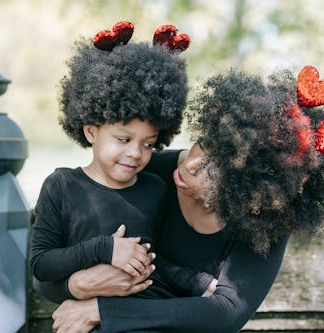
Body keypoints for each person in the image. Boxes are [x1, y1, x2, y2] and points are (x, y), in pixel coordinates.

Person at [46, 67, 324, 333]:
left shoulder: (263, 222)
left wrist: (104, 311)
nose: (193, 163)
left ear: (249, 190)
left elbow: (226, 311)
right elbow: (44, 275)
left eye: (216, 168)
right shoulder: (145, 169)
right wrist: (77, 286)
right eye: (204, 143)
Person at [30, 21, 216, 315]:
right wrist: (104, 249)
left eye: (148, 144)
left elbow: (155, 260)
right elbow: (41, 264)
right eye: (124, 139)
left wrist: (193, 281)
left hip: (145, 315)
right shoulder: (62, 186)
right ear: (91, 131)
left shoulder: (154, 188)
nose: (135, 153)